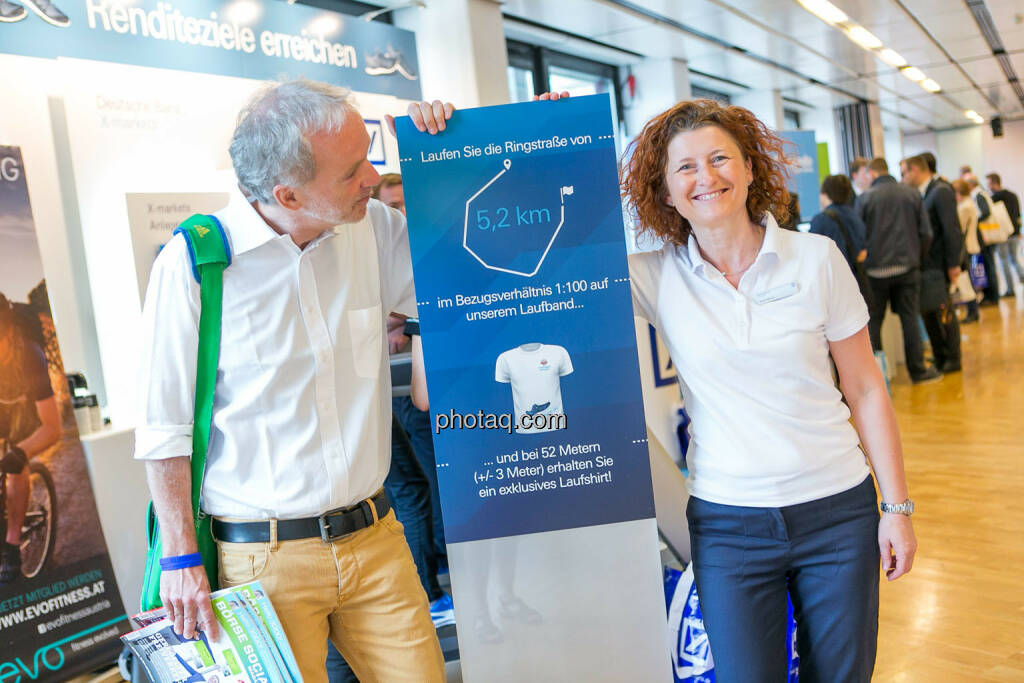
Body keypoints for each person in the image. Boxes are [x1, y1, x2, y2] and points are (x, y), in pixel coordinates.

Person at [135, 79, 453, 683]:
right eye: (353, 170)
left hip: (377, 541)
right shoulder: (198, 264)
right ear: (288, 193)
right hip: (261, 564)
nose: (371, 178)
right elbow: (163, 427)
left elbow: (471, 271)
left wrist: (513, 145)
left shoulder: (374, 230)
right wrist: (180, 555)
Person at [620, 98, 916, 682]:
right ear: (667, 191)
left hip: (838, 514)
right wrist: (552, 126)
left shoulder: (815, 258)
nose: (706, 178)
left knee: (840, 676)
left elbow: (864, 389)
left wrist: (896, 509)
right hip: (729, 524)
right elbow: (559, 258)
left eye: (720, 159)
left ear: (750, 168)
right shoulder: (654, 275)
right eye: (685, 168)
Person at [856, 157, 940, 384]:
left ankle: (879, 375)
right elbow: (926, 233)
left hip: (875, 272)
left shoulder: (864, 199)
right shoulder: (911, 194)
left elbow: (859, 237)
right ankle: (918, 372)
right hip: (908, 268)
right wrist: (916, 258)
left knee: (874, 322)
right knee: (910, 319)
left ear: (871, 174)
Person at [0, 294, 61, 583]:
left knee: (15, 463)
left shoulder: (30, 356)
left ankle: (12, 547)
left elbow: (53, 427)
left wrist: (21, 452)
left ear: (10, 332)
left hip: (27, 409)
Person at [902, 155, 962, 373]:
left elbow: (952, 229)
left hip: (940, 264)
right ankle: (940, 356)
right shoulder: (927, 193)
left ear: (916, 170)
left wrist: (954, 263)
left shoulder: (940, 191)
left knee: (943, 313)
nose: (904, 178)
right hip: (928, 265)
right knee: (931, 312)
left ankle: (952, 359)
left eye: (905, 173)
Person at [810, 174, 867, 273]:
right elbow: (863, 250)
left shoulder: (821, 220)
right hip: (854, 276)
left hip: (832, 276)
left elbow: (812, 254)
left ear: (824, 194)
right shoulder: (855, 215)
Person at [986, 172, 1024, 294]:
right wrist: (1018, 231)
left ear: (993, 183)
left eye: (988, 183)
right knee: (1014, 259)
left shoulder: (994, 198)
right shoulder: (1013, 195)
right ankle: (1022, 275)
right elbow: (1018, 215)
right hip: (1015, 233)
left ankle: (1010, 289)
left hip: (1003, 235)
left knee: (1004, 262)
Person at [968, 176, 1001, 305]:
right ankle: (991, 296)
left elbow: (985, 212)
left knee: (989, 265)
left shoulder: (978, 195)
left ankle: (993, 297)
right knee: (988, 265)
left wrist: (975, 220)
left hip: (986, 236)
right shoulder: (982, 193)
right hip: (985, 237)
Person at [952, 179, 981, 323]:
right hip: (968, 246)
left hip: (965, 247)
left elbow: (958, 228)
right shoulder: (968, 204)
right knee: (967, 280)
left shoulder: (965, 207)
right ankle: (973, 311)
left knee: (966, 280)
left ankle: (973, 311)